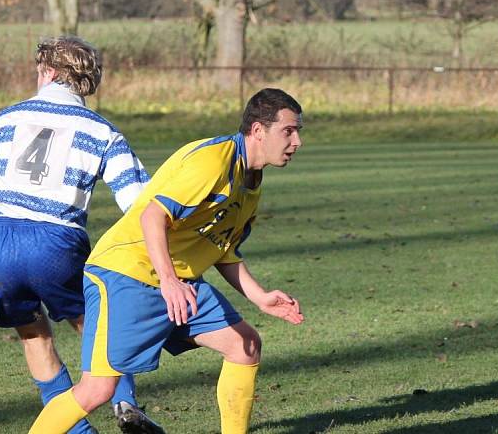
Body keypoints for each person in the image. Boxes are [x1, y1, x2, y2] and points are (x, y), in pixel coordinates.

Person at [28, 88, 306, 434]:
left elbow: (222, 248)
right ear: (258, 131)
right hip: (127, 273)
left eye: (298, 132)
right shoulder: (213, 161)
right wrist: (170, 281)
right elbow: (152, 217)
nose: (296, 142)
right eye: (288, 131)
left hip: (176, 280)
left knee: (244, 345)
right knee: (98, 388)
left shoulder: (250, 183)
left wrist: (259, 296)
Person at [0, 36, 165, 434]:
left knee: (33, 332)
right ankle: (126, 404)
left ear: (50, 73)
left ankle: (75, 431)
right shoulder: (101, 130)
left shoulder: (5, 118)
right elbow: (139, 203)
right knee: (96, 324)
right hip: (54, 244)